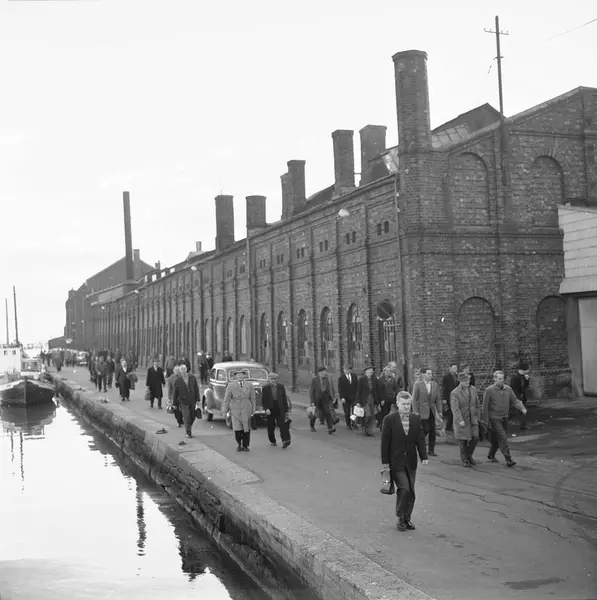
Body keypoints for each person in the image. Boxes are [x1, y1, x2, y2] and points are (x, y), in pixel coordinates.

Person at [381, 391, 428, 532]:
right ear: (398, 404)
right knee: (404, 488)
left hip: (411, 461)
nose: (406, 407)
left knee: (411, 491)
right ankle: (400, 517)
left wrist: (424, 456)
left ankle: (407, 518)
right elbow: (385, 442)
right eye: (403, 404)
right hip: (396, 461)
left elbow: (420, 439)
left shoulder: (416, 419)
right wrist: (385, 461)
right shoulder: (389, 420)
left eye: (408, 404)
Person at [482, 370, 527, 467]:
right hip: (494, 418)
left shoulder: (508, 389)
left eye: (502, 378)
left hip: (504, 417)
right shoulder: (489, 390)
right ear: (494, 379)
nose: (501, 381)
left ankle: (491, 454)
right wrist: (485, 422)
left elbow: (515, 401)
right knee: (502, 437)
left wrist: (522, 408)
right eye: (499, 379)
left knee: (496, 439)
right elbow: (485, 407)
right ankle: (508, 459)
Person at [450, 371, 480, 467]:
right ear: (460, 381)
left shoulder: (473, 389)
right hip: (462, 419)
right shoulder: (455, 393)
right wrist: (460, 420)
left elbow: (477, 404)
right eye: (465, 380)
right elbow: (455, 408)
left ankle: (469, 455)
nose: (467, 382)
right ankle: (465, 459)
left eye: (468, 380)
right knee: (463, 440)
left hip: (473, 418)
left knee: (475, 438)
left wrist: (478, 416)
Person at [411, 367, 442, 457]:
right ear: (423, 374)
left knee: (432, 431)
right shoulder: (418, 384)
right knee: (425, 429)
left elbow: (438, 398)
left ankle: (431, 451)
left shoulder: (434, 384)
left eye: (431, 373)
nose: (430, 375)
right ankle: (415, 444)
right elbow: (414, 399)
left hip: (432, 410)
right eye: (428, 373)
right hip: (422, 411)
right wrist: (415, 412)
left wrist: (439, 411)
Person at [223, 370, 256, 451]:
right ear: (235, 377)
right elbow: (227, 399)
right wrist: (224, 410)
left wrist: (253, 409)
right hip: (235, 409)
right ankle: (239, 443)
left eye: (241, 375)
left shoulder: (249, 385)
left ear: (244, 376)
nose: (240, 376)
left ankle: (245, 445)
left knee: (246, 428)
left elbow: (253, 398)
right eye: (238, 375)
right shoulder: (231, 385)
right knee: (237, 428)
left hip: (246, 408)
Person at [261, 372, 291, 448]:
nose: (273, 380)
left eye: (274, 379)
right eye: (272, 379)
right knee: (271, 426)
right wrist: (266, 409)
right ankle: (272, 440)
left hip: (279, 407)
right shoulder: (265, 388)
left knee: (282, 425)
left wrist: (286, 410)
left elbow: (284, 399)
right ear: (269, 379)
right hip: (270, 408)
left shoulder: (281, 387)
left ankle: (285, 440)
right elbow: (264, 400)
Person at [172, 364, 200, 439]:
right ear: (180, 372)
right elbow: (175, 393)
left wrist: (198, 399)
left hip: (192, 400)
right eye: (182, 370)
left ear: (186, 369)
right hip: (183, 401)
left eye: (184, 369)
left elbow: (196, 388)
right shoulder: (178, 381)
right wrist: (174, 404)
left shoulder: (192, 377)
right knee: (186, 416)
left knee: (193, 416)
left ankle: (188, 426)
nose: (183, 371)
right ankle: (188, 432)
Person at [309, 366, 338, 434]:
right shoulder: (315, 380)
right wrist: (312, 401)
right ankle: (312, 426)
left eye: (325, 372)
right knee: (314, 414)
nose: (325, 373)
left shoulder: (326, 379)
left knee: (327, 413)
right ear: (320, 373)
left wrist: (332, 398)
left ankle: (330, 428)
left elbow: (328, 390)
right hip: (316, 400)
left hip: (324, 400)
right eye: (324, 372)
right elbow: (311, 391)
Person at [356, 365, 380, 437]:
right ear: (366, 371)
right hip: (364, 399)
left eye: (372, 370)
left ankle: (369, 431)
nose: (371, 371)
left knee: (372, 416)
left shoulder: (374, 379)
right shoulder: (362, 379)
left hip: (372, 399)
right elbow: (358, 391)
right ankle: (364, 426)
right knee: (368, 414)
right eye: (370, 370)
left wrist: (378, 402)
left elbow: (376, 391)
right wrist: (358, 402)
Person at [510, 363, 531, 431]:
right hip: (516, 397)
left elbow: (525, 386)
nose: (528, 371)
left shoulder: (523, 376)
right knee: (517, 412)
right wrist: (518, 399)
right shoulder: (515, 378)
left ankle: (523, 425)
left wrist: (527, 380)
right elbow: (514, 389)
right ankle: (503, 421)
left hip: (521, 397)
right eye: (527, 370)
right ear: (522, 370)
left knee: (522, 412)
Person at [338, 364, 358, 430]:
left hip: (353, 397)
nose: (346, 370)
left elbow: (357, 386)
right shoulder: (341, 378)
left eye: (348, 369)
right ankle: (348, 424)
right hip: (345, 398)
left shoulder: (354, 376)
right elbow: (340, 388)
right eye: (345, 369)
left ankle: (353, 422)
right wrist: (342, 397)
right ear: (344, 370)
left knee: (354, 411)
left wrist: (357, 395)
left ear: (350, 370)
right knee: (347, 412)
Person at [441, 362, 459, 432]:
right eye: (454, 368)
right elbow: (444, 388)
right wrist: (444, 398)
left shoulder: (458, 376)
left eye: (456, 368)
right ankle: (449, 426)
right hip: (449, 396)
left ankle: (451, 425)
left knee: (454, 410)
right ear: (450, 368)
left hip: (457, 396)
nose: (455, 369)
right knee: (451, 411)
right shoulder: (446, 376)